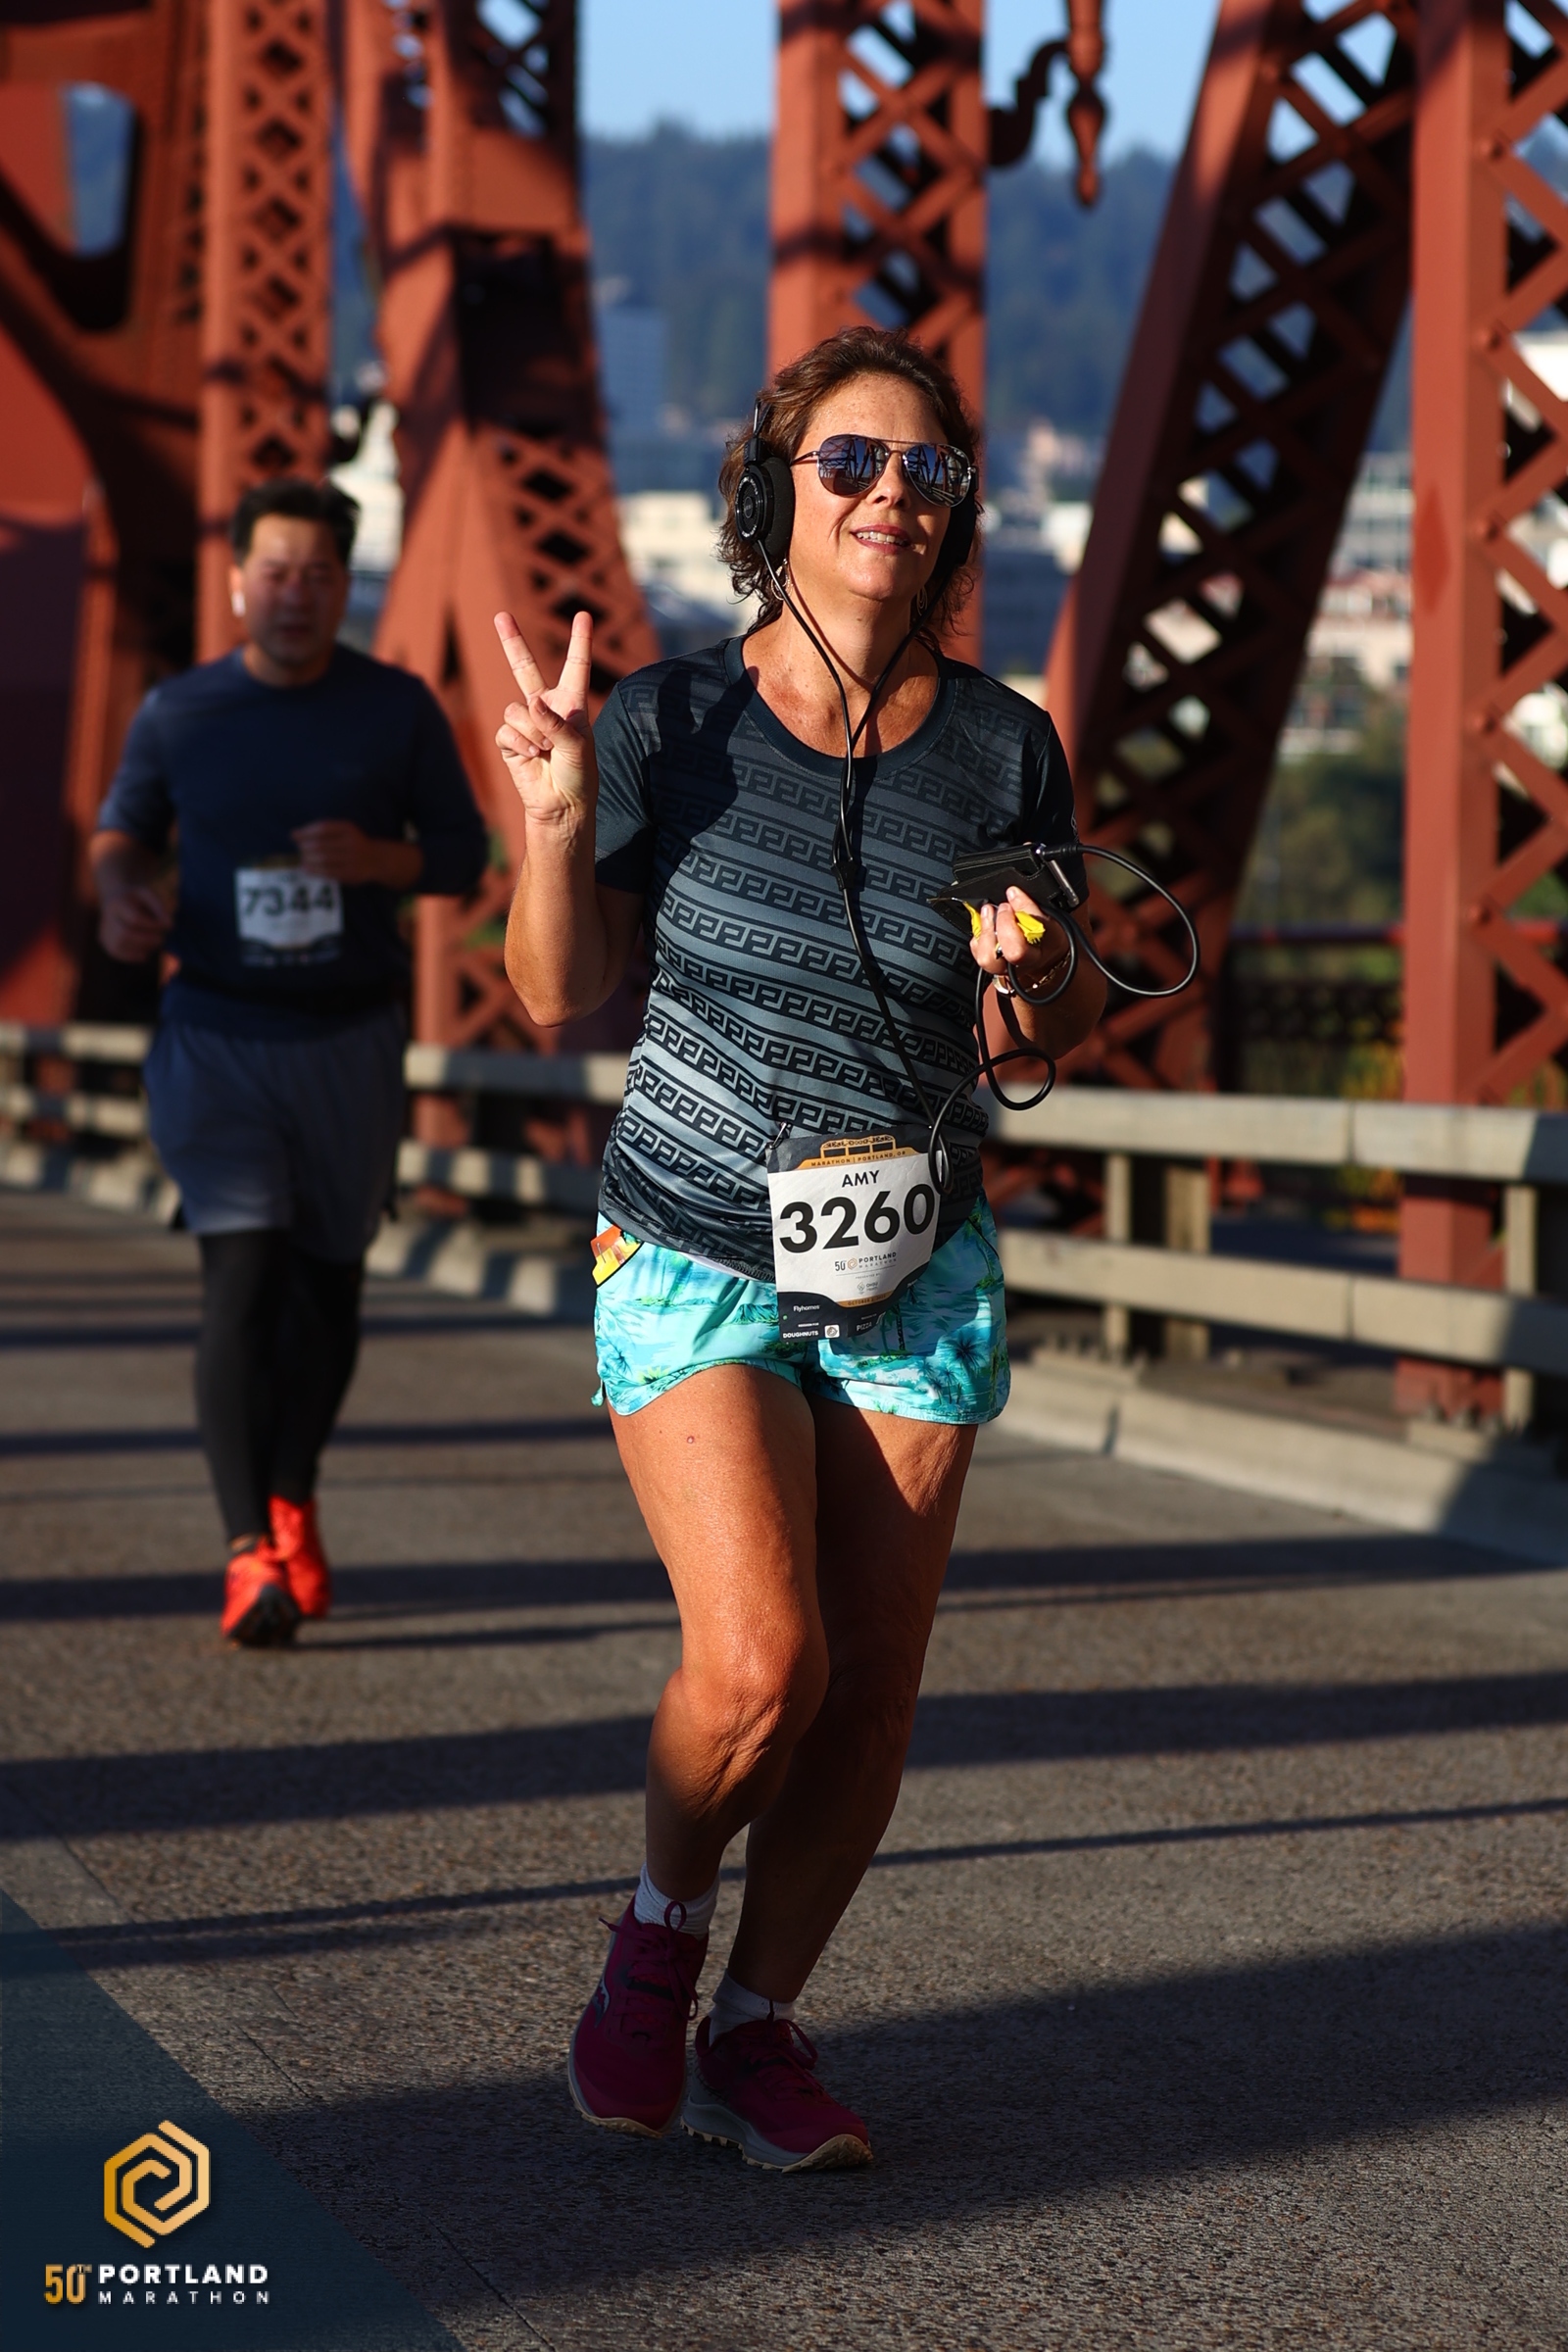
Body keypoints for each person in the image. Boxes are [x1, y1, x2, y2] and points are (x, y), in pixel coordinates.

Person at [494, 325, 1106, 2172]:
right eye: (851, 461)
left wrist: (1032, 975)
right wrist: (550, 827)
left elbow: (1040, 1036)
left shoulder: (1002, 747)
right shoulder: (665, 724)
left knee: (873, 1681)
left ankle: (758, 2028)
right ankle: (658, 1935)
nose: (891, 496)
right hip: (694, 1247)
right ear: (777, 492)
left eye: (927, 471)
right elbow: (555, 994)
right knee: (767, 1662)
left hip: (912, 1262)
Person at [92, 477, 489, 1647]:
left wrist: (378, 860)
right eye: (275, 572)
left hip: (348, 1037)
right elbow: (122, 833)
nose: (296, 595)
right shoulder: (180, 712)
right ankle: (244, 1553)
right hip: (218, 1033)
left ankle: (290, 1493)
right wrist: (120, 895)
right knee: (243, 1274)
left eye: (320, 574)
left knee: (327, 1290)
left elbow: (461, 854)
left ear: (343, 585)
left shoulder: (395, 708)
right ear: (236, 584)